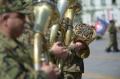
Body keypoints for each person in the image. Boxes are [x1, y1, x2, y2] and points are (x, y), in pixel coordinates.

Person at [0, 12, 61, 79]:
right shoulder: (2, 46)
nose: (25, 20)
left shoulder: (14, 43)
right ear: (5, 19)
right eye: (20, 16)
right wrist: (44, 75)